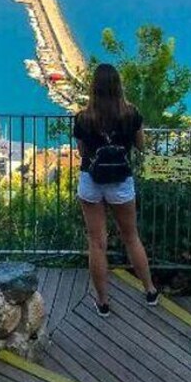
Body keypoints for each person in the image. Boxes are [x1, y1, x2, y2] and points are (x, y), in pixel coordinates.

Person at [73, 63, 158, 317]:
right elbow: (141, 146)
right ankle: (150, 290)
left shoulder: (83, 118)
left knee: (97, 243)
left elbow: (82, 153)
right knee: (131, 237)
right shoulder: (131, 114)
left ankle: (102, 301)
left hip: (91, 181)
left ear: (94, 88)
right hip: (121, 181)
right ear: (119, 86)